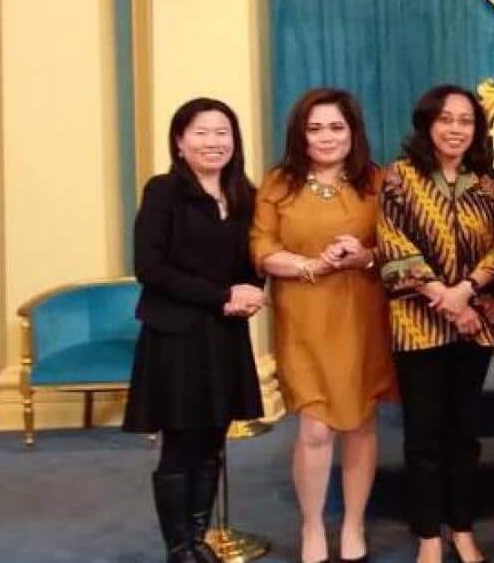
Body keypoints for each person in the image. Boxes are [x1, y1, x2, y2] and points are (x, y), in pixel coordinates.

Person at [377, 85, 494, 563]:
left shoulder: (489, 181)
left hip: (474, 321)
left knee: (463, 433)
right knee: (423, 434)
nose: (456, 128)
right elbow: (392, 242)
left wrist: (467, 291)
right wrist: (439, 293)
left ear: (476, 129)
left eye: (465, 120)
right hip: (417, 324)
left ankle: (461, 528)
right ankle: (428, 537)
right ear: (427, 123)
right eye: (446, 119)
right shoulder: (398, 177)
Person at [250, 88, 395, 563]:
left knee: (359, 423)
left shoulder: (377, 180)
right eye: (315, 128)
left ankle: (353, 526)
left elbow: (394, 248)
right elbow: (262, 250)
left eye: (336, 127)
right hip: (304, 317)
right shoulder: (278, 183)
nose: (327, 137)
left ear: (353, 132)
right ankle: (312, 527)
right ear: (300, 134)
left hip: (362, 314)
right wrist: (315, 265)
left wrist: (364, 255)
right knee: (315, 428)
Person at [124, 98, 265, 563]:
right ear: (180, 142)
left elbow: (251, 264)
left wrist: (252, 289)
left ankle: (199, 538)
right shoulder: (164, 190)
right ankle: (178, 548)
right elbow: (150, 267)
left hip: (224, 337)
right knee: (181, 446)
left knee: (212, 443)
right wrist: (222, 296)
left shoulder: (244, 195)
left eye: (222, 132)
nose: (213, 142)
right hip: (177, 336)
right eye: (201, 132)